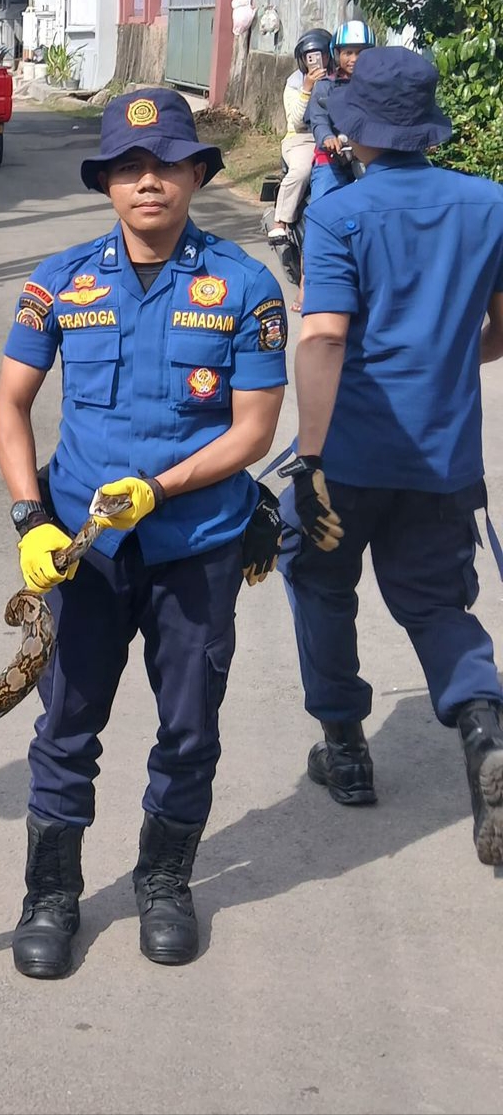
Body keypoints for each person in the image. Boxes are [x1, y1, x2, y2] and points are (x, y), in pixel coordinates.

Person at [0, 88, 287, 979]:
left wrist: (159, 488)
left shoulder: (244, 285)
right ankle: (50, 893)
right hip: (84, 551)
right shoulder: (61, 281)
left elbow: (253, 432)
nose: (148, 181)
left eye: (165, 164)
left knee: (189, 726)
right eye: (128, 166)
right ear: (107, 184)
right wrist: (29, 518)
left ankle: (164, 880)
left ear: (197, 173)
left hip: (196, 545)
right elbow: (10, 405)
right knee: (65, 723)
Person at [279, 46, 503, 867]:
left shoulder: (341, 213)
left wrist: (308, 456)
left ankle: (345, 749)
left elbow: (324, 337)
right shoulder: (491, 205)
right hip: (444, 455)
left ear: (358, 127)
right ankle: (484, 727)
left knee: (319, 580)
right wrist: (448, 356)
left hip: (351, 452)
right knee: (438, 603)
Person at [270, 28, 332, 249]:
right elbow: (296, 120)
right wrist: (307, 88)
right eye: (310, 56)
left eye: (322, 54)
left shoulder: (338, 78)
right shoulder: (295, 82)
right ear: (302, 59)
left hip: (334, 135)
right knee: (302, 170)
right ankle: (280, 221)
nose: (316, 60)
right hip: (302, 138)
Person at [303, 21, 375, 207]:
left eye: (361, 53)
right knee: (321, 210)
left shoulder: (377, 85)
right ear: (337, 54)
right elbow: (318, 119)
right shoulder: (325, 86)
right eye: (348, 53)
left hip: (369, 158)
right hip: (331, 159)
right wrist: (327, 137)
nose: (354, 59)